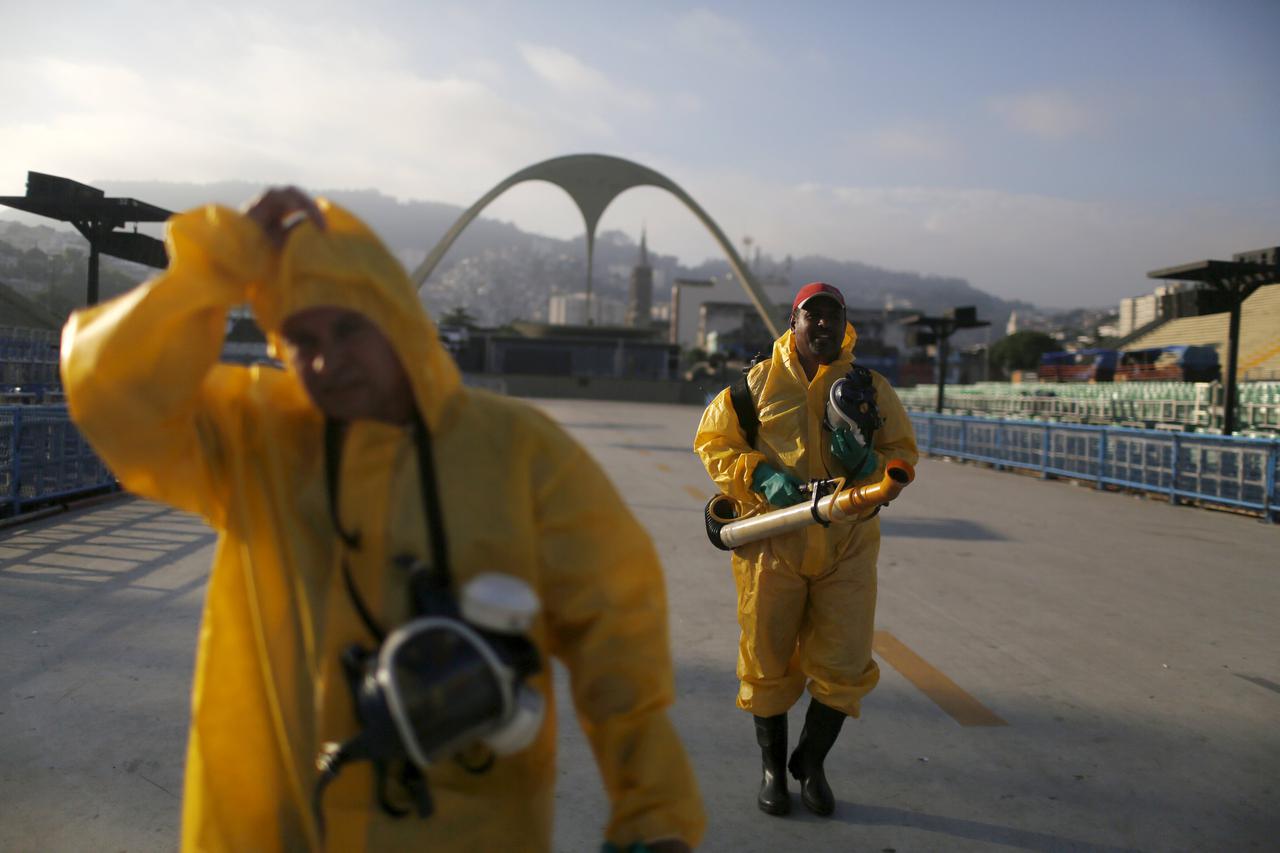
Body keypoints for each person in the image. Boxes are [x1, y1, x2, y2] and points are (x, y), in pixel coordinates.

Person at [61, 187, 704, 852]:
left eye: (348, 328)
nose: (324, 360)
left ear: (395, 317)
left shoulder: (522, 453)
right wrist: (216, 262)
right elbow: (110, 389)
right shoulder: (257, 443)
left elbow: (618, 638)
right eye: (300, 338)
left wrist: (654, 811)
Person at [692, 282, 918, 818]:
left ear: (844, 324)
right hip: (771, 544)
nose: (821, 325)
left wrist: (868, 466)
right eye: (810, 316)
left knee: (844, 662)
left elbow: (901, 453)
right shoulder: (754, 386)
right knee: (766, 660)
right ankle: (772, 770)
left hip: (848, 543)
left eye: (831, 316)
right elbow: (714, 442)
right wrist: (758, 474)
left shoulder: (871, 388)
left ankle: (810, 762)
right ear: (793, 322)